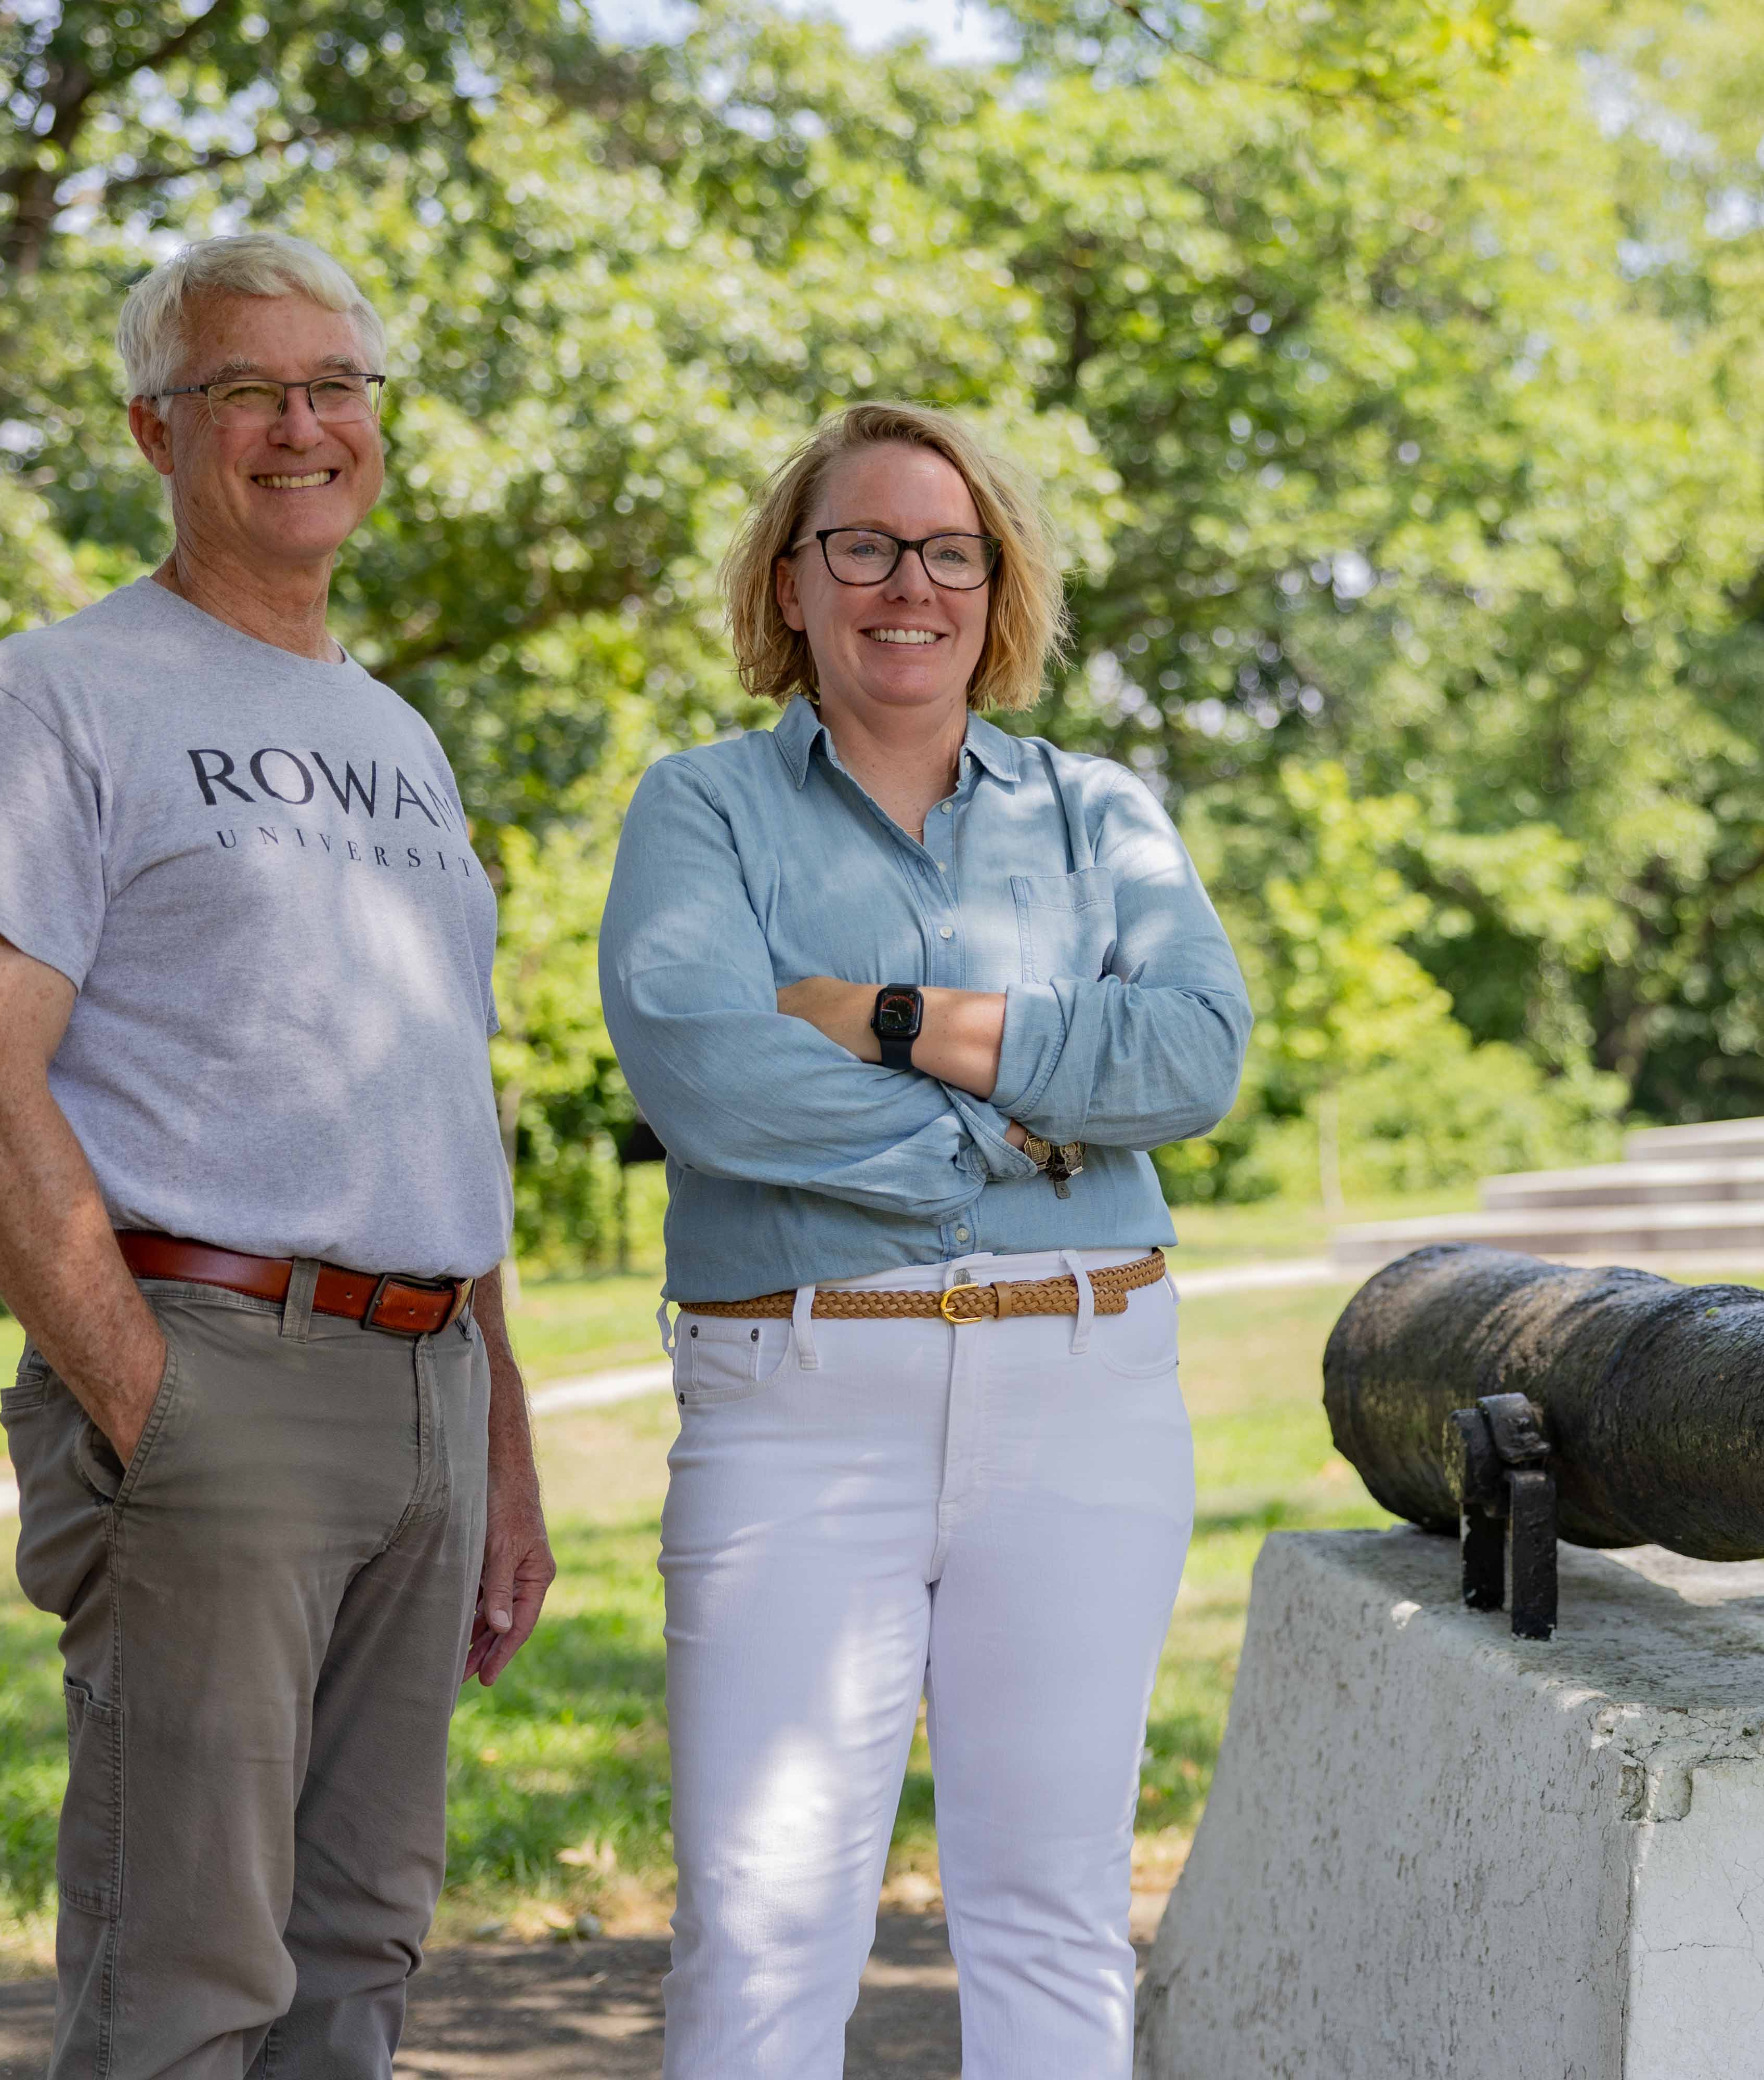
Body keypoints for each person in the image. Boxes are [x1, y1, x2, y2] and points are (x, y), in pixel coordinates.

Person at [0, 232, 553, 2078]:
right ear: (153, 431)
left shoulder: (394, 733)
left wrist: (501, 1434)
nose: (302, 424)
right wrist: (148, 1401)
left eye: (336, 384)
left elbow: (432, 1093)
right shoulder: (56, 698)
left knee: (358, 1951)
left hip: (425, 1387)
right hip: (215, 1372)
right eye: (247, 389)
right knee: (185, 1981)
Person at [599, 401, 1251, 2076]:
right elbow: (714, 1079)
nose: (911, 583)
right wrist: (1033, 1122)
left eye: (949, 550)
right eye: (865, 546)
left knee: (1050, 1912)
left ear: (996, 582)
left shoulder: (1099, 811)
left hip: (1085, 1387)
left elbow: (1190, 1054)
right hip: (802, 1397)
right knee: (759, 1925)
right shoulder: (704, 812)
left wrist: (881, 1018)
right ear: (794, 582)